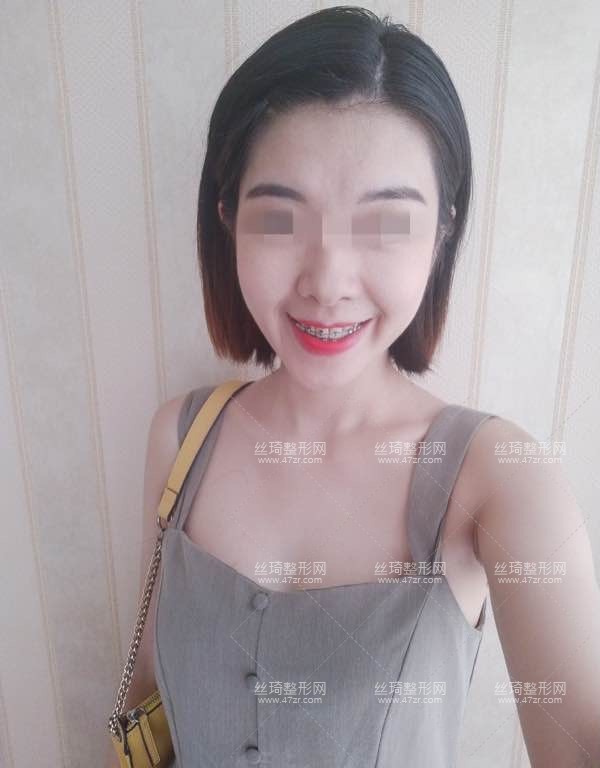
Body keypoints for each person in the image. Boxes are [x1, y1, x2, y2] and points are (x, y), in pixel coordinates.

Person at [121, 6, 600, 767]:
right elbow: (145, 702)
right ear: (226, 217)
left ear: (442, 232)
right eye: (280, 219)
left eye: (386, 225)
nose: (328, 283)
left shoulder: (500, 478)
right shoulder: (180, 438)